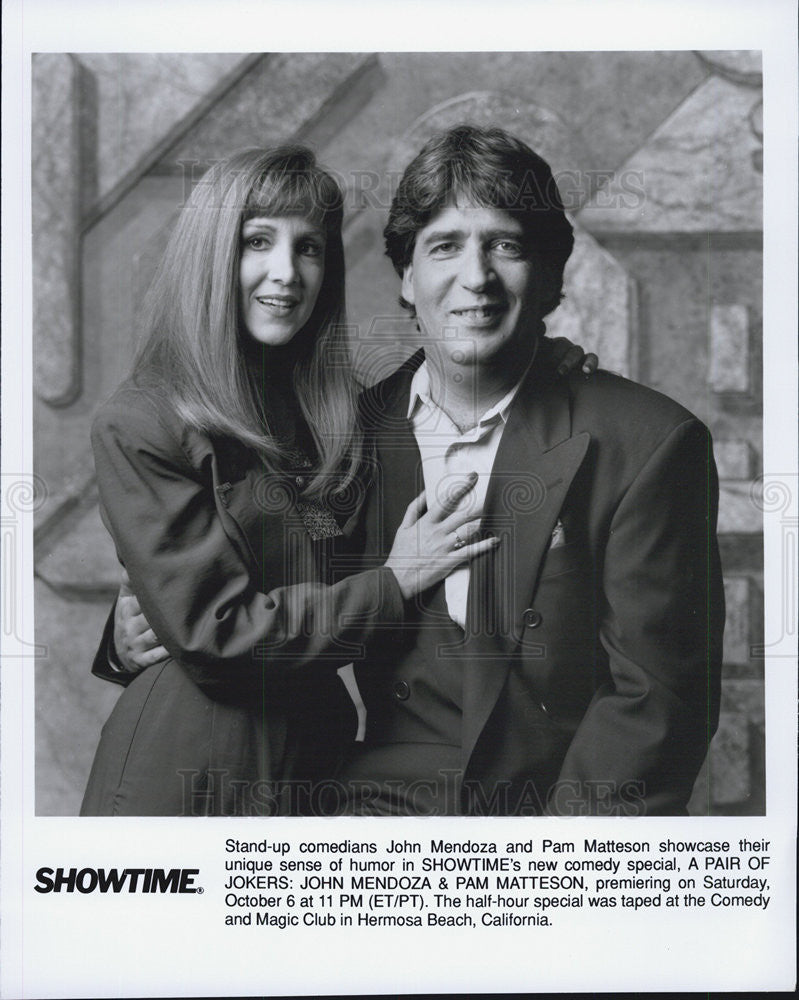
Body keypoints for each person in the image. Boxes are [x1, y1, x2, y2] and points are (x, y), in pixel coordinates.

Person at [80, 145, 505, 817]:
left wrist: (554, 365)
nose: (287, 273)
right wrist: (394, 583)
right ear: (210, 256)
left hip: (315, 762)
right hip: (189, 772)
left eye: (308, 248)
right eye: (257, 241)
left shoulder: (341, 417)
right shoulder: (141, 420)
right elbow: (218, 639)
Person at [328, 125, 725, 816]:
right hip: (371, 823)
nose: (475, 278)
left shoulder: (650, 443)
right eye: (444, 246)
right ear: (406, 274)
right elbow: (263, 623)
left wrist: (546, 880)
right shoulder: (347, 436)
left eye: (505, 245)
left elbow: (657, 703)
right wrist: (127, 641)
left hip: (555, 830)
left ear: (548, 275)